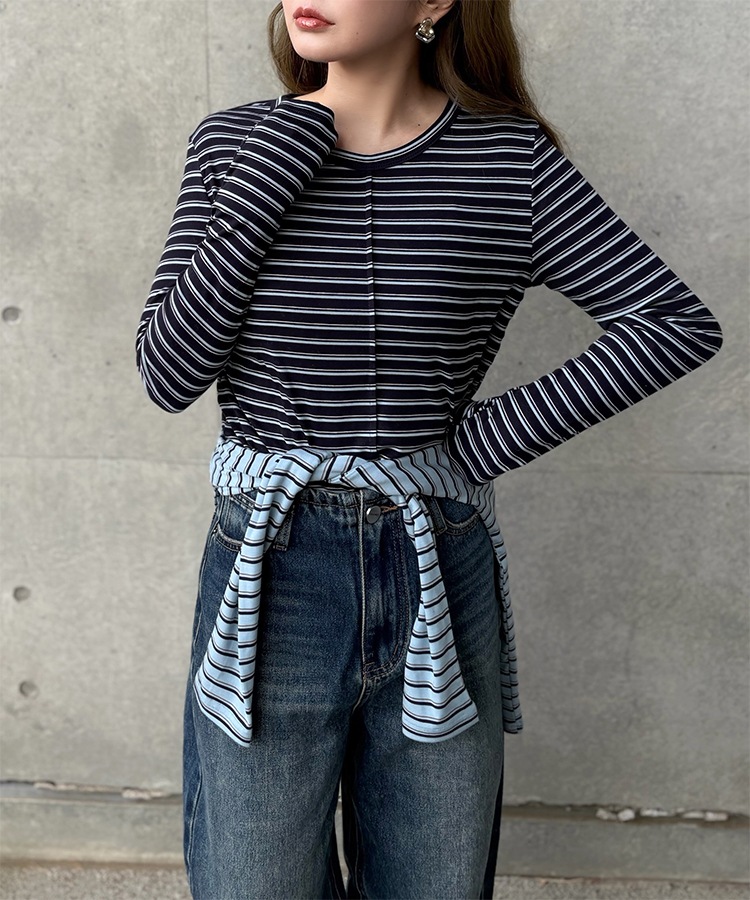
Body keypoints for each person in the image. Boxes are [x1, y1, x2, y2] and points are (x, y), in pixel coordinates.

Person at [135, 0, 724, 896]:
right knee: (252, 880)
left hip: (437, 560)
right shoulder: (234, 145)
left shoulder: (510, 161)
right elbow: (169, 372)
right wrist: (262, 188)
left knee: (435, 878)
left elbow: (671, 322)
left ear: (435, 3)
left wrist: (479, 444)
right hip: (273, 563)